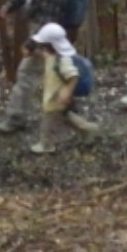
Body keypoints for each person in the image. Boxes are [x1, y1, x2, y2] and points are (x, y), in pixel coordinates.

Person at [0, 0, 72, 135]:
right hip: (42, 35)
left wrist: (35, 43)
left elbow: (51, 16)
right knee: (61, 76)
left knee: (27, 74)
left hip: (48, 38)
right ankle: (71, 115)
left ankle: (16, 117)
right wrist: (10, 6)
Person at [26, 21, 99, 156]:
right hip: (54, 97)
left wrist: (67, 91)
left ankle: (46, 144)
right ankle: (89, 129)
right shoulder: (52, 56)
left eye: (43, 46)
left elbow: (73, 75)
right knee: (68, 118)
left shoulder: (63, 60)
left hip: (56, 98)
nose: (41, 49)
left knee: (47, 124)